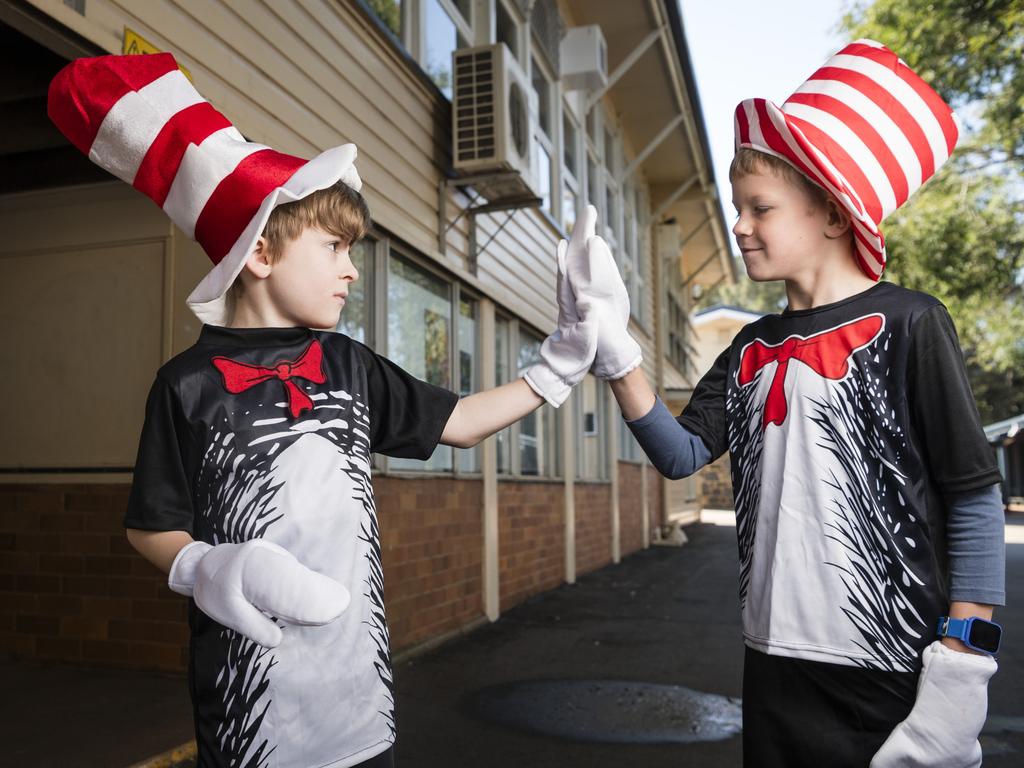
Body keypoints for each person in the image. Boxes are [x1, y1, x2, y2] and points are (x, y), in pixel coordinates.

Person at [47, 52, 599, 768]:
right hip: (253, 721)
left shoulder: (348, 363)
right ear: (261, 253)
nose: (349, 268)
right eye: (334, 246)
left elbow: (458, 421)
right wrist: (208, 568)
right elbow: (150, 528)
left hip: (361, 704)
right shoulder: (185, 386)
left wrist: (559, 364)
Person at [566, 40, 1005, 767]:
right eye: (738, 208)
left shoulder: (912, 322)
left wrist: (963, 666)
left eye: (758, 207)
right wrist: (617, 356)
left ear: (832, 212)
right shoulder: (747, 346)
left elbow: (971, 492)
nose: (739, 225)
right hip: (772, 659)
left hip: (890, 664)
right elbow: (679, 456)